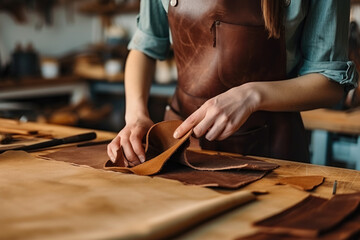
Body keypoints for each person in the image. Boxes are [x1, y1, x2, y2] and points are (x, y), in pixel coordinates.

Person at [108, 0, 358, 167]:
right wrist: (136, 115)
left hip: (270, 155)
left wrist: (252, 96)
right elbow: (145, 47)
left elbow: (330, 83)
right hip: (179, 149)